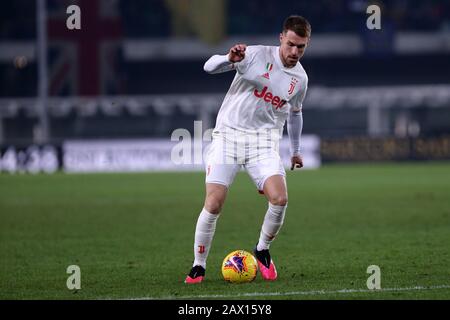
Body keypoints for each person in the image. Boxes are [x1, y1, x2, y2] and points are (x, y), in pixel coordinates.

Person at [185, 15, 311, 283]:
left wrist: (296, 150)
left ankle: (262, 250)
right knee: (214, 202)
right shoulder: (254, 54)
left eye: (301, 47)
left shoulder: (300, 79)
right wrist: (228, 59)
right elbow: (209, 67)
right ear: (281, 38)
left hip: (263, 144)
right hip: (228, 137)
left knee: (280, 199)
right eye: (291, 44)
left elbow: (295, 114)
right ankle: (198, 265)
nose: (294, 52)